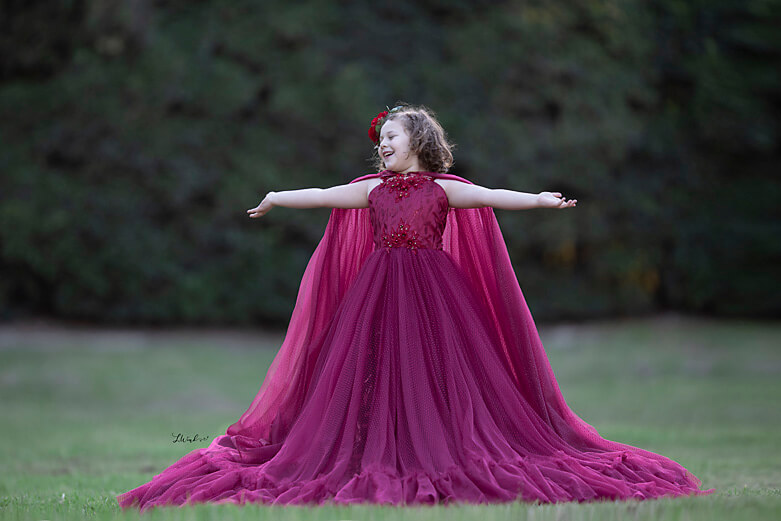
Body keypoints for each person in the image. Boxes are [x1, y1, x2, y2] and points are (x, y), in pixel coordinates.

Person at [116, 104, 714, 511]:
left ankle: (443, 444)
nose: (383, 145)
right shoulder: (372, 191)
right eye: (380, 140)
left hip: (434, 296)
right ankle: (371, 446)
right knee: (370, 373)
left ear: (419, 143)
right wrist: (276, 195)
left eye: (392, 137)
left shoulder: (441, 190)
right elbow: (325, 195)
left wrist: (537, 199)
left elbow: (490, 197)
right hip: (376, 295)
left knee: (439, 372)